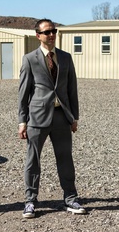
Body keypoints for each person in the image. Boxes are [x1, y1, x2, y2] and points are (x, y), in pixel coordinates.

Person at [18, 18, 86, 218]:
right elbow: (23, 92)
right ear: (38, 35)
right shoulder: (30, 59)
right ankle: (30, 201)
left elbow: (72, 88)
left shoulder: (65, 57)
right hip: (37, 118)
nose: (51, 35)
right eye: (47, 32)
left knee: (65, 159)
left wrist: (74, 117)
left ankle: (71, 198)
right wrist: (22, 121)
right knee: (33, 161)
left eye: (53, 31)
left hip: (61, 117)